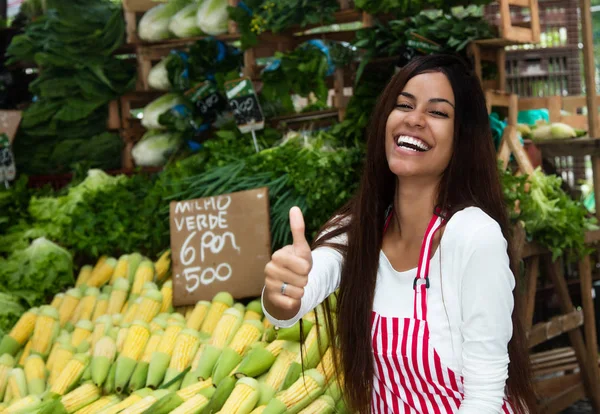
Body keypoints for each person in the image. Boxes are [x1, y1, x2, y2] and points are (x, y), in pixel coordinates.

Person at [261, 54, 536, 414]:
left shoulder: (473, 237)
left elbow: (484, 396)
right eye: (403, 105)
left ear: (462, 138)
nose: (414, 119)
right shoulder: (355, 231)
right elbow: (290, 304)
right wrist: (282, 289)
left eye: (437, 113)